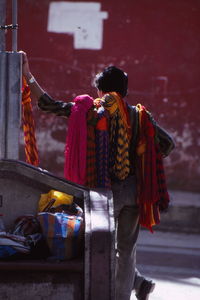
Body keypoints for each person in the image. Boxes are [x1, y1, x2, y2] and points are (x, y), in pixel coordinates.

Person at [21, 51, 174, 300]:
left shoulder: (90, 112)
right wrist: (142, 155)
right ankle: (129, 289)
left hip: (102, 192)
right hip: (135, 190)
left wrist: (28, 75)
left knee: (96, 245)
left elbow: (49, 104)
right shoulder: (140, 116)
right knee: (126, 249)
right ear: (124, 91)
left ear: (101, 91)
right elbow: (167, 145)